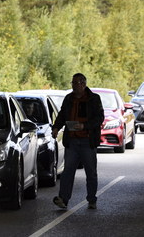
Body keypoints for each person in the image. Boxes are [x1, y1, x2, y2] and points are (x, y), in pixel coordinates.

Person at [52, 73, 104, 210]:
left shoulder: (94, 99)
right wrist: (56, 127)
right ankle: (63, 198)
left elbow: (99, 118)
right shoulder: (69, 99)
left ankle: (92, 199)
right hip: (72, 141)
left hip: (88, 141)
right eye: (73, 83)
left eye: (77, 83)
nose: (74, 86)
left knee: (91, 172)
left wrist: (85, 126)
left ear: (83, 84)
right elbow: (62, 114)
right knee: (68, 171)